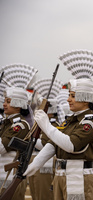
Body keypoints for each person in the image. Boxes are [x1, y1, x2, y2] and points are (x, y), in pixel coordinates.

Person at [24, 49, 93, 200]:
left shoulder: (90, 123)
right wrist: (36, 164)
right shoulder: (70, 121)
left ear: (85, 98)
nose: (68, 100)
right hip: (61, 175)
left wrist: (46, 125)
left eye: (73, 96)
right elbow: (54, 143)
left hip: (78, 177)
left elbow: (71, 145)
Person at [0, 64, 37, 200]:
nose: (4, 104)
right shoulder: (6, 123)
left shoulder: (20, 126)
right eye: (4, 101)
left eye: (8, 101)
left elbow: (2, 148)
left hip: (10, 178)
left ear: (18, 103)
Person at [28, 78, 64, 200]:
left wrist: (29, 141)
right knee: (36, 194)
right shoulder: (43, 124)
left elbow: (47, 145)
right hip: (37, 161)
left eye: (42, 106)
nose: (39, 108)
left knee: (44, 196)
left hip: (46, 165)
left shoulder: (54, 125)